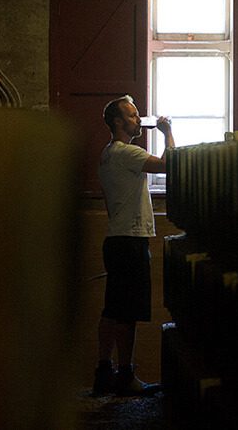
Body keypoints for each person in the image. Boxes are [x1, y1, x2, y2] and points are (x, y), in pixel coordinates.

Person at [93, 94, 175, 396]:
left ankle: (103, 372)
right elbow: (169, 165)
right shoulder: (127, 153)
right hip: (131, 239)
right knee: (128, 312)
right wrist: (167, 132)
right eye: (131, 115)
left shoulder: (107, 153)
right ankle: (126, 375)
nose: (138, 119)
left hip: (116, 237)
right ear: (117, 121)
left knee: (112, 308)